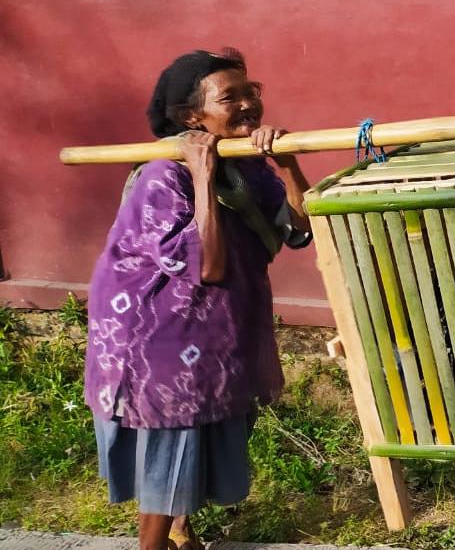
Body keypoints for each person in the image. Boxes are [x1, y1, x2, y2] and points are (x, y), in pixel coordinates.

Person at [84, 48, 312, 550]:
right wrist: (202, 174)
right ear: (192, 117)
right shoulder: (163, 176)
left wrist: (287, 162)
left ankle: (184, 532)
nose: (249, 104)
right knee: (174, 437)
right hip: (154, 334)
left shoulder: (249, 167)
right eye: (231, 97)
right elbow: (207, 265)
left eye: (252, 92)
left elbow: (299, 230)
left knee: (209, 422)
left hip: (218, 325)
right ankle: (155, 545)